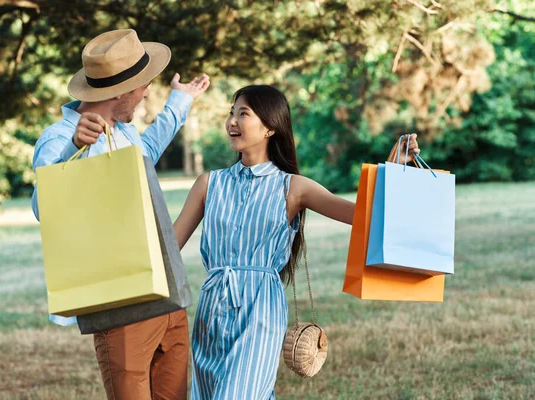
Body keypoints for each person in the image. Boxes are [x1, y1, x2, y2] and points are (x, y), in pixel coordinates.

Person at [172, 85, 420, 399]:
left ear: (269, 127)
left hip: (259, 308)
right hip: (212, 307)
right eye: (231, 113)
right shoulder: (209, 184)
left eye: (243, 114)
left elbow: (364, 216)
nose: (231, 121)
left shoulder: (293, 187)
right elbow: (169, 246)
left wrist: (394, 167)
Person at [30, 29, 210, 400]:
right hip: (121, 304)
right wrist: (72, 149)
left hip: (165, 294)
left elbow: (148, 150)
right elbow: (43, 207)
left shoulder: (124, 132)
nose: (146, 92)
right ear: (120, 92)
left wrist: (181, 101)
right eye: (143, 85)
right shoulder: (58, 137)